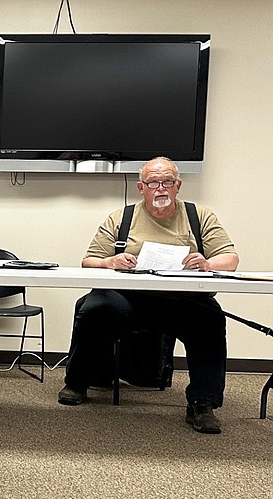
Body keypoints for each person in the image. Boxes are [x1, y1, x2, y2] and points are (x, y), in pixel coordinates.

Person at [58, 157, 239, 434]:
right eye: (153, 183)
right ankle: (77, 382)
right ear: (141, 188)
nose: (161, 189)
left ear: (178, 185)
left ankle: (203, 402)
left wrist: (207, 264)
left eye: (167, 182)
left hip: (182, 299)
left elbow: (230, 258)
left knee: (210, 318)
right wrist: (111, 262)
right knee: (95, 308)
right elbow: (89, 260)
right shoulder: (122, 217)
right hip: (127, 297)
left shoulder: (199, 216)